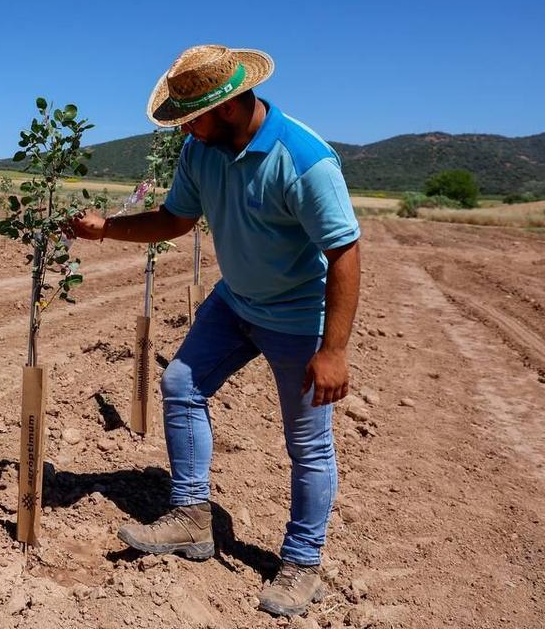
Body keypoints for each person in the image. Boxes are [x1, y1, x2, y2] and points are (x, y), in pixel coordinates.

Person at [71, 43, 361, 617]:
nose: (183, 131)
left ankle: (303, 565)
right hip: (235, 303)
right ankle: (192, 520)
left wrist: (334, 350)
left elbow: (345, 251)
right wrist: (105, 230)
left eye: (189, 119)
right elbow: (175, 219)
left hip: (298, 318)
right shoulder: (200, 151)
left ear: (226, 107)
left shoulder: (303, 159)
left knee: (307, 446)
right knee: (180, 385)